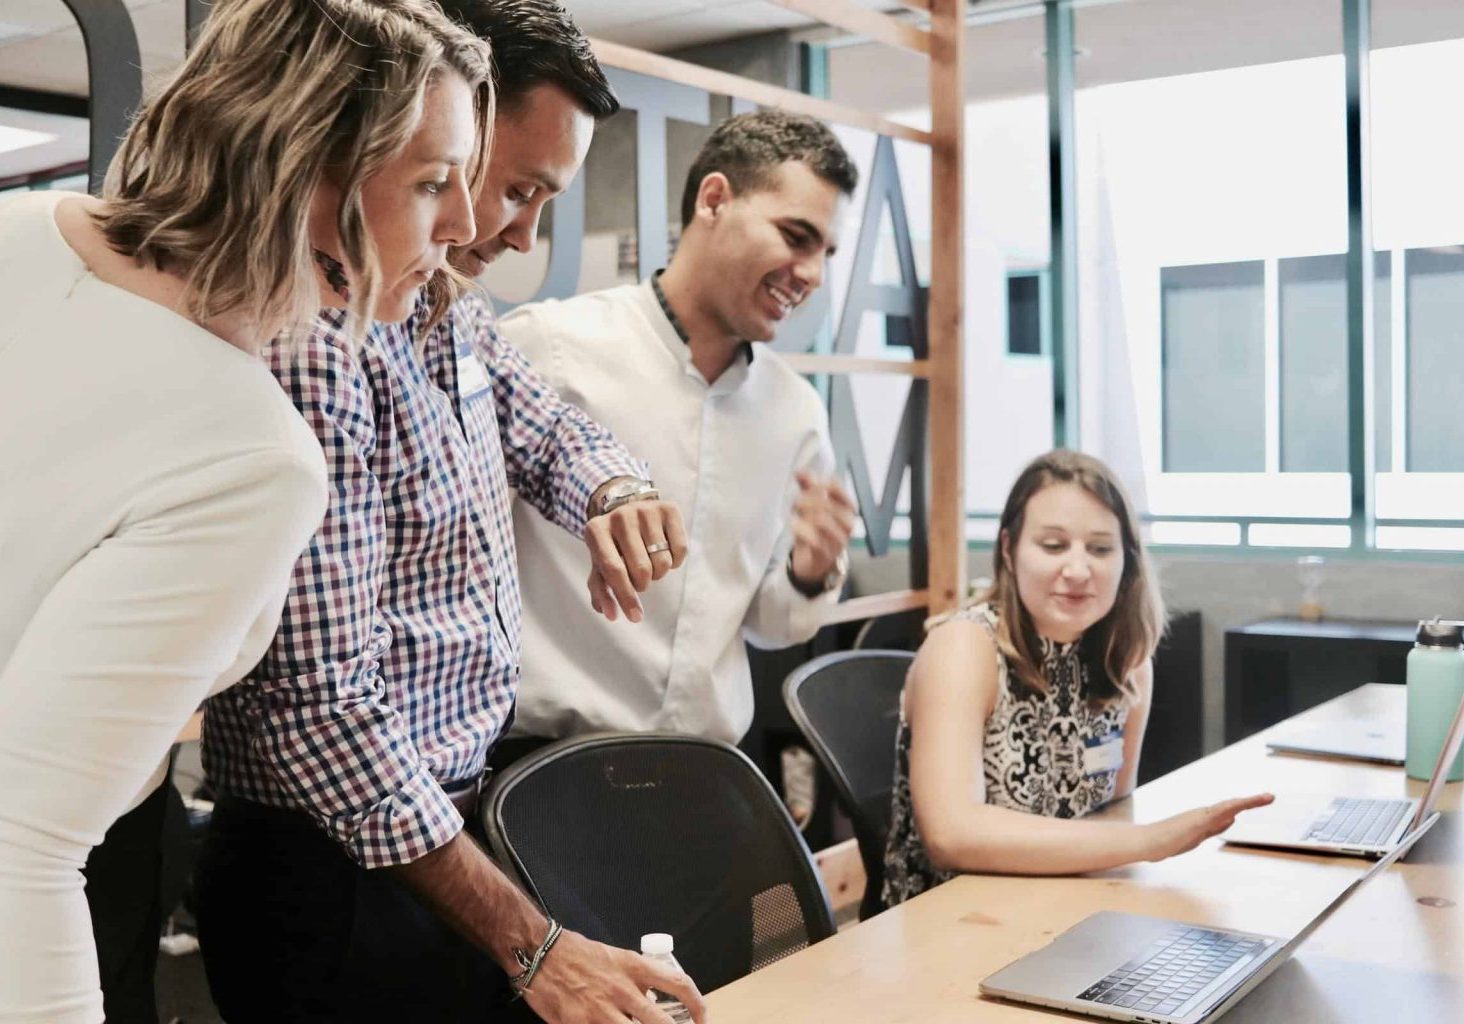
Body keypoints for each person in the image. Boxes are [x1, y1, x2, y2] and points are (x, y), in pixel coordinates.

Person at [195, 3, 705, 1022]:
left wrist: (616, 491)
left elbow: (553, 431)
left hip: (440, 833)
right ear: (443, 131)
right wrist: (534, 946)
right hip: (334, 871)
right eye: (506, 188)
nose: (508, 233)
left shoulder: (446, 312)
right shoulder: (315, 344)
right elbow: (324, 709)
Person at [0, 1, 495, 1021]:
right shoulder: (250, 456)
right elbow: (18, 843)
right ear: (308, 162)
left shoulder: (11, 232)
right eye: (436, 183)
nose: (468, 226)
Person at [497, 110, 859, 757]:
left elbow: (773, 623)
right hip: (541, 766)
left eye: (825, 254)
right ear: (714, 199)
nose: (812, 275)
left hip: (705, 774)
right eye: (795, 236)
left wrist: (810, 571)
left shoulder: (794, 410)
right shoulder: (548, 348)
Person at [881, 450, 1274, 907]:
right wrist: (1152, 842)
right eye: (1052, 546)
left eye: (1101, 549)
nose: (1077, 570)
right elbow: (951, 834)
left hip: (1064, 903)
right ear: (1009, 550)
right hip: (947, 920)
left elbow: (1110, 813)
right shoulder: (965, 647)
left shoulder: (1127, 660)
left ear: (1126, 559)